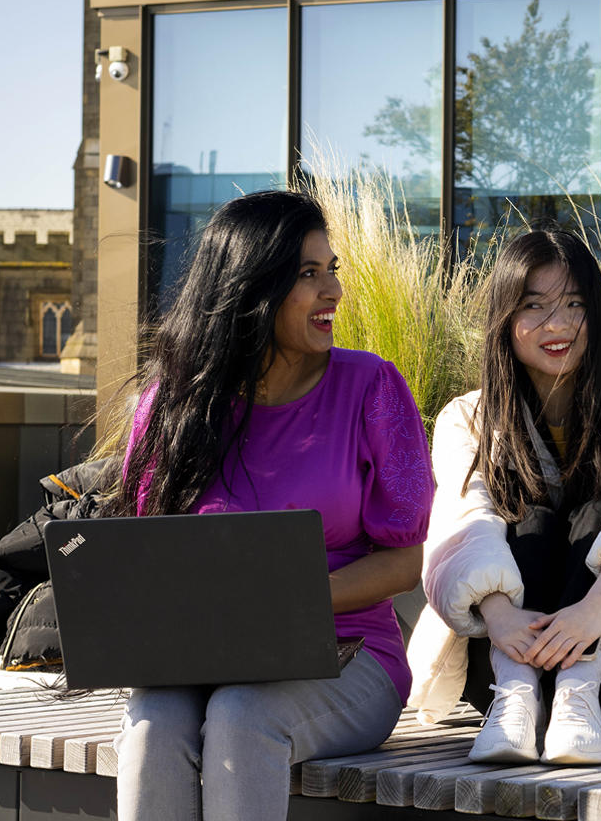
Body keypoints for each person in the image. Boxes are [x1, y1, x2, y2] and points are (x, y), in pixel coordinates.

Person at [110, 189, 435, 820]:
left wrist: (288, 601)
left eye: (332, 269)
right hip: (202, 652)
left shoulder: (371, 388)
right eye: (308, 275)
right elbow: (143, 554)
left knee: (242, 713)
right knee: (152, 720)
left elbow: (405, 561)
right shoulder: (173, 407)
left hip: (347, 655)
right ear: (251, 289)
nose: (333, 291)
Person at [406, 227, 601, 765]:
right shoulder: (468, 418)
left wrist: (593, 611)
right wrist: (501, 619)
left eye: (574, 303)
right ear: (505, 317)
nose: (559, 324)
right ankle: (519, 700)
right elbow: (462, 521)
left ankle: (577, 697)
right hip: (499, 665)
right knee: (526, 519)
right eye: (535, 306)